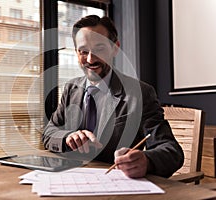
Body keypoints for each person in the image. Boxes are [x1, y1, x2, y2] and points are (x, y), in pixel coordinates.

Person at [42, 15, 184, 178]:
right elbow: (48, 134)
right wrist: (67, 137)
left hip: (113, 184)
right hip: (68, 178)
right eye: (83, 51)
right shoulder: (71, 88)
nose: (90, 59)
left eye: (99, 49)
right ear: (76, 52)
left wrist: (147, 160)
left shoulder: (140, 93)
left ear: (115, 48)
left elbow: (172, 151)